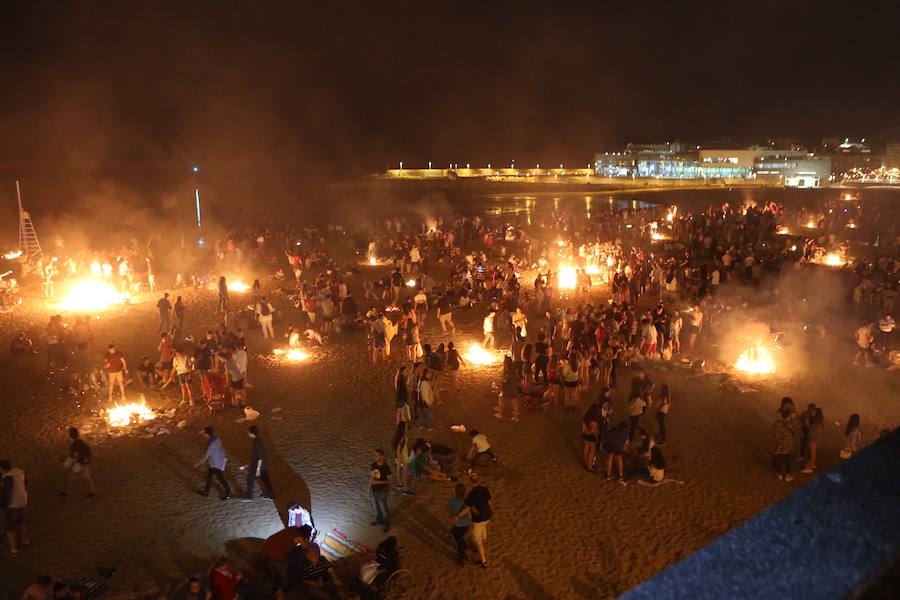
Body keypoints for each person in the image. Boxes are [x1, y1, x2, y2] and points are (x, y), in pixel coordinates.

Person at [457, 472, 491, 568]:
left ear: (470, 482)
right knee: (483, 532)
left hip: (478, 520)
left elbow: (468, 508)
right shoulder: (484, 490)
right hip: (487, 517)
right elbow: (489, 502)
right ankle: (483, 547)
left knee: (478, 542)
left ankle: (483, 561)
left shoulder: (471, 494)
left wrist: (458, 516)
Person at [0, 459, 29, 557]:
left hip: (13, 505)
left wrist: (2, 506)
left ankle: (14, 550)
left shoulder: (7, 478)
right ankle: (26, 541)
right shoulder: (19, 471)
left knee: (10, 528)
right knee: (21, 522)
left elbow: (5, 495)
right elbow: (25, 482)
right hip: (23, 501)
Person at [195, 427, 231, 500]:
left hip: (215, 464)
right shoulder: (216, 439)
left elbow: (206, 455)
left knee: (221, 478)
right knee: (209, 476)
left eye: (204, 433)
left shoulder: (211, 444)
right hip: (219, 461)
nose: (203, 434)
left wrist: (198, 463)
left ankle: (228, 493)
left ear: (207, 434)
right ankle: (206, 491)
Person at [60, 427, 95, 498]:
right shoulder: (81, 441)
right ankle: (93, 492)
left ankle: (67, 492)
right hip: (85, 461)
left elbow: (76, 457)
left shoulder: (74, 445)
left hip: (80, 463)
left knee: (70, 476)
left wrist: (70, 467)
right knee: (87, 478)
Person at [242, 425, 274, 502]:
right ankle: (271, 494)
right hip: (263, 464)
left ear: (251, 433)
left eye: (248, 432)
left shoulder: (256, 442)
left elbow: (259, 457)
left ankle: (249, 497)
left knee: (250, 479)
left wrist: (258, 469)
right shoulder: (259, 439)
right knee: (265, 478)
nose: (247, 433)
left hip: (258, 465)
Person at [447, 483, 471, 566]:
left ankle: (462, 558)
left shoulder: (451, 502)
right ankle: (465, 546)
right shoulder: (466, 502)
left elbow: (450, 512)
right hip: (466, 525)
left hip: (457, 525)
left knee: (458, 543)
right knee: (461, 537)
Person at [369, 449, 392, 532]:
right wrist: (369, 488)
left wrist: (387, 487)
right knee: (376, 506)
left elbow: (389, 480)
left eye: (377, 455)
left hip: (382, 490)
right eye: (375, 455)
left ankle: (386, 522)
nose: (375, 457)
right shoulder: (373, 465)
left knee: (383, 508)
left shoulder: (386, 467)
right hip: (374, 489)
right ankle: (378, 519)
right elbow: (371, 477)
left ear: (382, 456)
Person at [772, 409, 797, 482]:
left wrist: (777, 437)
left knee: (779, 458)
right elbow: (794, 433)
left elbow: (772, 433)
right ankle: (787, 475)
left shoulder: (777, 423)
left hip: (779, 444)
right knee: (787, 460)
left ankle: (779, 474)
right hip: (788, 445)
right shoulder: (790, 424)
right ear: (789, 416)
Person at [802, 406, 824, 474]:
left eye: (814, 411)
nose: (812, 412)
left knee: (812, 453)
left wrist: (807, 424)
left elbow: (811, 430)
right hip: (814, 438)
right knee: (812, 453)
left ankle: (810, 468)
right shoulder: (818, 421)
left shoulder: (816, 423)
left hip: (813, 438)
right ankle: (812, 464)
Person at [581, 406, 599, 472]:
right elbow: (595, 432)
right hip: (591, 436)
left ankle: (586, 463)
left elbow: (583, 429)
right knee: (593, 451)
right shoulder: (594, 422)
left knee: (586, 448)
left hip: (585, 435)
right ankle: (589, 466)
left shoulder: (585, 419)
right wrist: (596, 437)